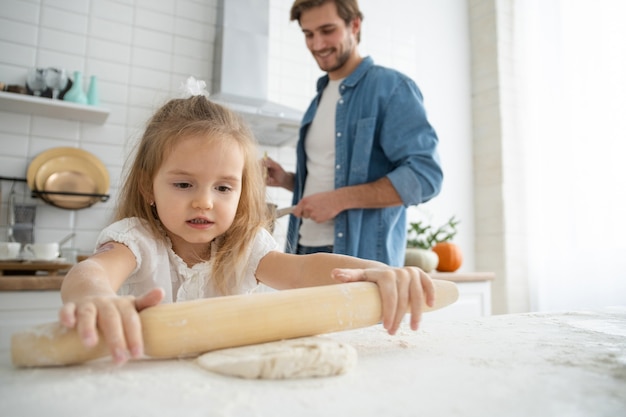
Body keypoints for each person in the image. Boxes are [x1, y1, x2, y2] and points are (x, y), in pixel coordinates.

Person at [58, 82, 435, 365]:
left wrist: (378, 271)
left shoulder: (245, 247)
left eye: (223, 187)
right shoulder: (136, 239)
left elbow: (305, 271)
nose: (204, 200)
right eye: (184, 184)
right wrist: (96, 299)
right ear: (148, 186)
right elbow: (91, 273)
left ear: (241, 193)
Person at [263, 0, 443, 266]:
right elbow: (332, 176)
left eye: (327, 30)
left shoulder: (391, 88)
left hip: (358, 259)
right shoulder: (318, 100)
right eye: (308, 34)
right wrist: (289, 180)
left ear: (354, 25)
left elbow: (426, 176)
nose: (317, 44)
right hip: (301, 249)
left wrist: (339, 200)